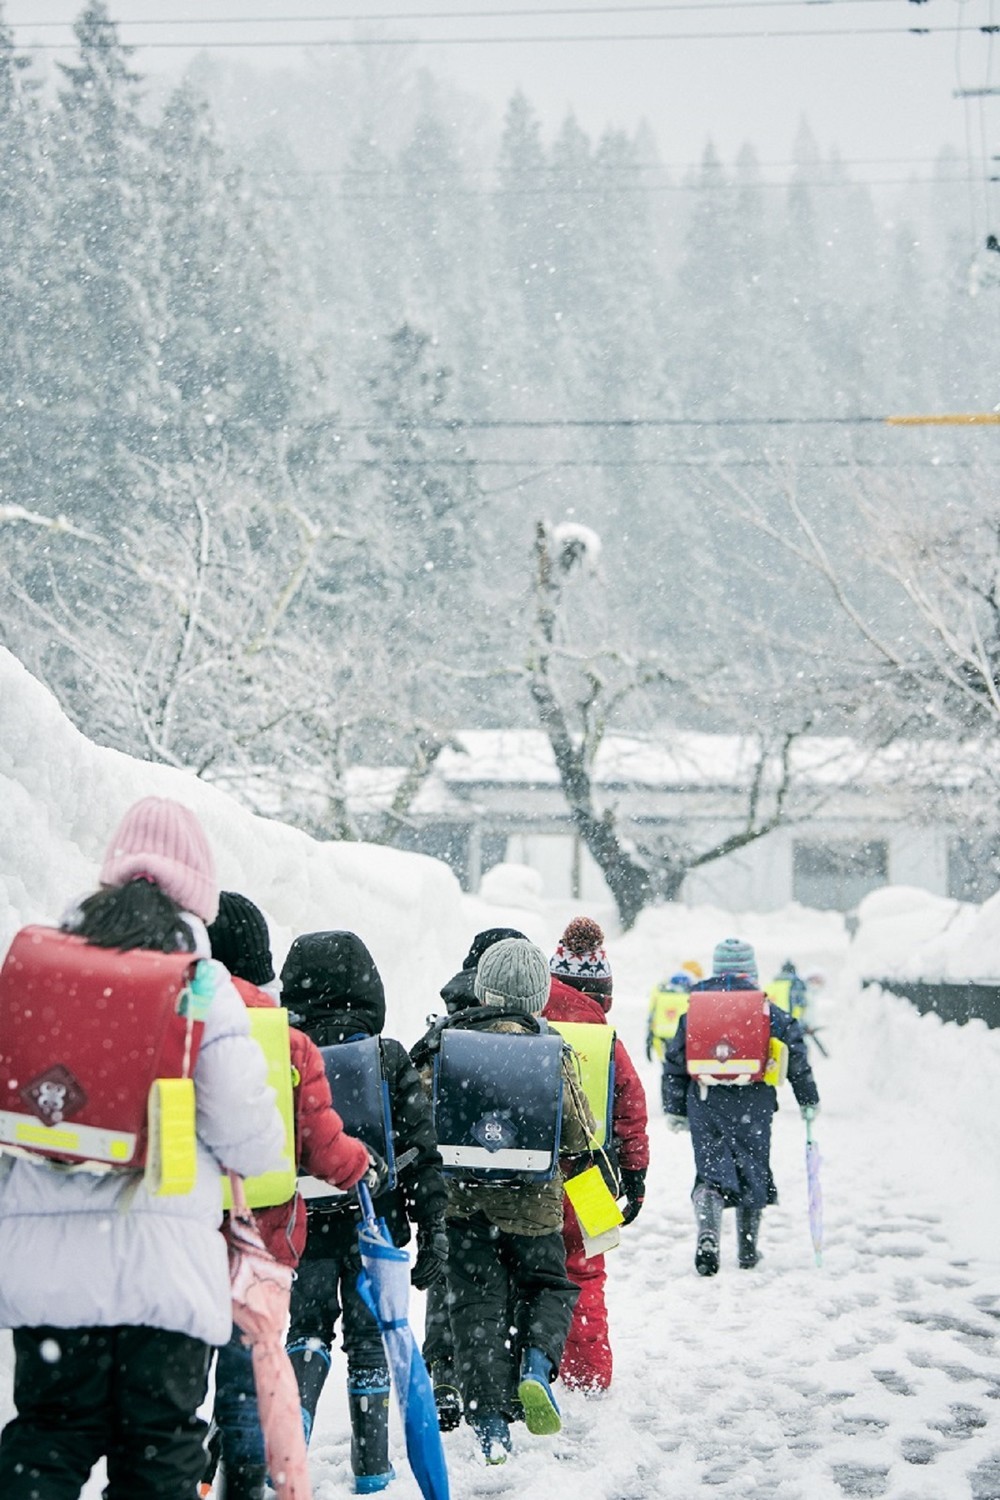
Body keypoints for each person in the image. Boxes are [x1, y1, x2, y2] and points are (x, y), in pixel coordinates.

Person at [0, 796, 288, 1500]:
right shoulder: (200, 984)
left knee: (47, 1435)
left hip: (49, 1280)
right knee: (160, 1449)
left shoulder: (45, 971)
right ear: (199, 892)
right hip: (164, 1279)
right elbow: (250, 1138)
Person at [206, 892, 373, 1500]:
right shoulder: (288, 1043)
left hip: (180, 1236)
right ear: (262, 961)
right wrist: (362, 1166)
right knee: (247, 1372)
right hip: (261, 1246)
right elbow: (324, 1147)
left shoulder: (175, 1019)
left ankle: (183, 1470)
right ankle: (243, 1483)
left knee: (181, 1371)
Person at [279, 930, 448, 1495]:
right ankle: (372, 1468)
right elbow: (423, 1153)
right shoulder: (386, 1057)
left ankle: (291, 1440)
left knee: (305, 1331)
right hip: (374, 1226)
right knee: (369, 1339)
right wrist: (434, 1230)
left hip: (302, 1228)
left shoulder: (285, 1057)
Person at [422, 937, 594, 1465]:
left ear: (482, 988)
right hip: (533, 1207)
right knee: (549, 1286)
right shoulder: (550, 1048)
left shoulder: (448, 1042)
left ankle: (490, 1424)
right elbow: (580, 1134)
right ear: (539, 998)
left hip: (463, 1204)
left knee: (475, 1306)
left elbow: (423, 1115)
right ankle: (537, 1366)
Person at [410, 925, 527, 1433]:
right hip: (519, 1177)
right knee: (510, 1280)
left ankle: (442, 1371)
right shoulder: (526, 1021)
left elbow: (414, 1089)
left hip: (454, 1177)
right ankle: (507, 1381)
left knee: (454, 1281)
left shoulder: (448, 1023)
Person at [662, 936, 820, 1277]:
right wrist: (808, 1098)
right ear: (751, 971)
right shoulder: (764, 1008)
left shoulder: (697, 1009)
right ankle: (748, 1248)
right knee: (752, 1168)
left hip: (705, 1099)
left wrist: (675, 1108)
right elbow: (795, 1049)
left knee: (710, 1173)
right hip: (754, 1100)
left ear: (717, 970)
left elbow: (674, 1059)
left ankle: (708, 1234)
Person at [544, 916, 649, 1394]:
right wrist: (635, 1175)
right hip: (591, 1180)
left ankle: (531, 1366)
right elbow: (632, 1111)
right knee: (587, 1275)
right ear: (603, 994)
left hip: (533, 1175)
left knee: (529, 1270)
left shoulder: (528, 1032)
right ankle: (587, 1378)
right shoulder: (607, 1044)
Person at [646, 970, 694, 1062]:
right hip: (682, 1038)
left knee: (666, 1065)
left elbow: (651, 1017)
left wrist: (649, 1040)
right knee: (679, 1067)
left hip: (660, 1037)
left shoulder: (659, 995)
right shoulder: (690, 996)